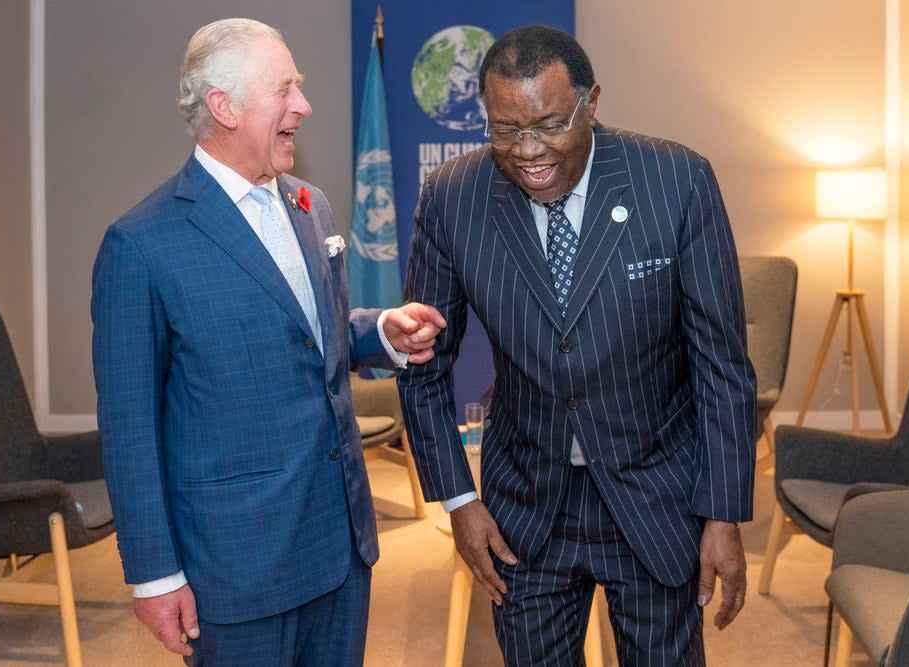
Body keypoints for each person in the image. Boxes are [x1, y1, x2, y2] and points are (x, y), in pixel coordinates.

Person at [397, 24, 756, 666]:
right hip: (524, 509)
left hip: (654, 497)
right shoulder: (454, 197)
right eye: (504, 130)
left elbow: (721, 365)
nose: (528, 150)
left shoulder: (676, 180)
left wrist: (723, 514)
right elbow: (422, 363)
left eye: (550, 124)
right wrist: (457, 498)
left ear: (592, 101)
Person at [91, 18, 445, 666]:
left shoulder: (313, 205)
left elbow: (313, 332)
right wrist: (154, 574)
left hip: (342, 546)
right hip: (236, 572)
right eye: (285, 89)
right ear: (223, 106)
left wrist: (379, 333)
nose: (304, 107)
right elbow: (129, 429)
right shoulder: (140, 246)